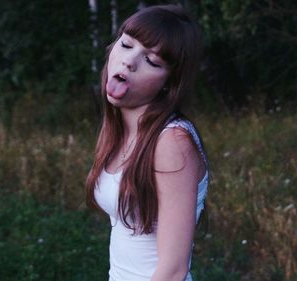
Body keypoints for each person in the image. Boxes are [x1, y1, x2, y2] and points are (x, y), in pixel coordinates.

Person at [85, 4, 209, 281]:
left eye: (152, 61)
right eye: (126, 44)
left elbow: (173, 271)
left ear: (169, 83)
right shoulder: (119, 128)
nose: (129, 61)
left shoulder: (172, 141)